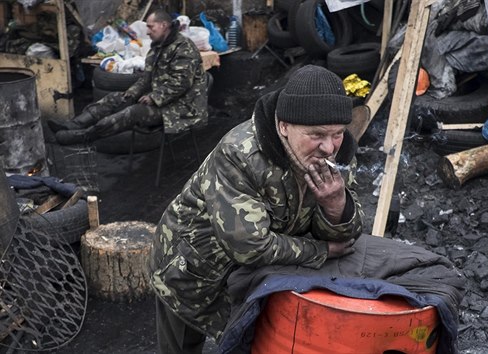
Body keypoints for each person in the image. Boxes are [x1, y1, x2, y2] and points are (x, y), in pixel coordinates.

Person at [148, 64, 364, 353]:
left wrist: (335, 205)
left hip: (252, 277)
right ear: (284, 126)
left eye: (337, 133)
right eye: (317, 135)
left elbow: (345, 235)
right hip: (188, 269)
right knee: (183, 344)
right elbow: (250, 246)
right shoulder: (240, 155)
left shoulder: (338, 153)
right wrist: (321, 251)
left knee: (253, 340)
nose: (329, 147)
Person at [49, 9, 208, 145]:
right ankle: (73, 125)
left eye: (151, 27)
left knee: (134, 112)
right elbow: (146, 78)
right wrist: (131, 93)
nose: (147, 31)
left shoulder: (184, 48)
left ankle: (84, 136)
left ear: (163, 26)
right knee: (115, 98)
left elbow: (181, 83)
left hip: (183, 108)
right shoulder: (157, 48)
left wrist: (154, 97)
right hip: (164, 102)